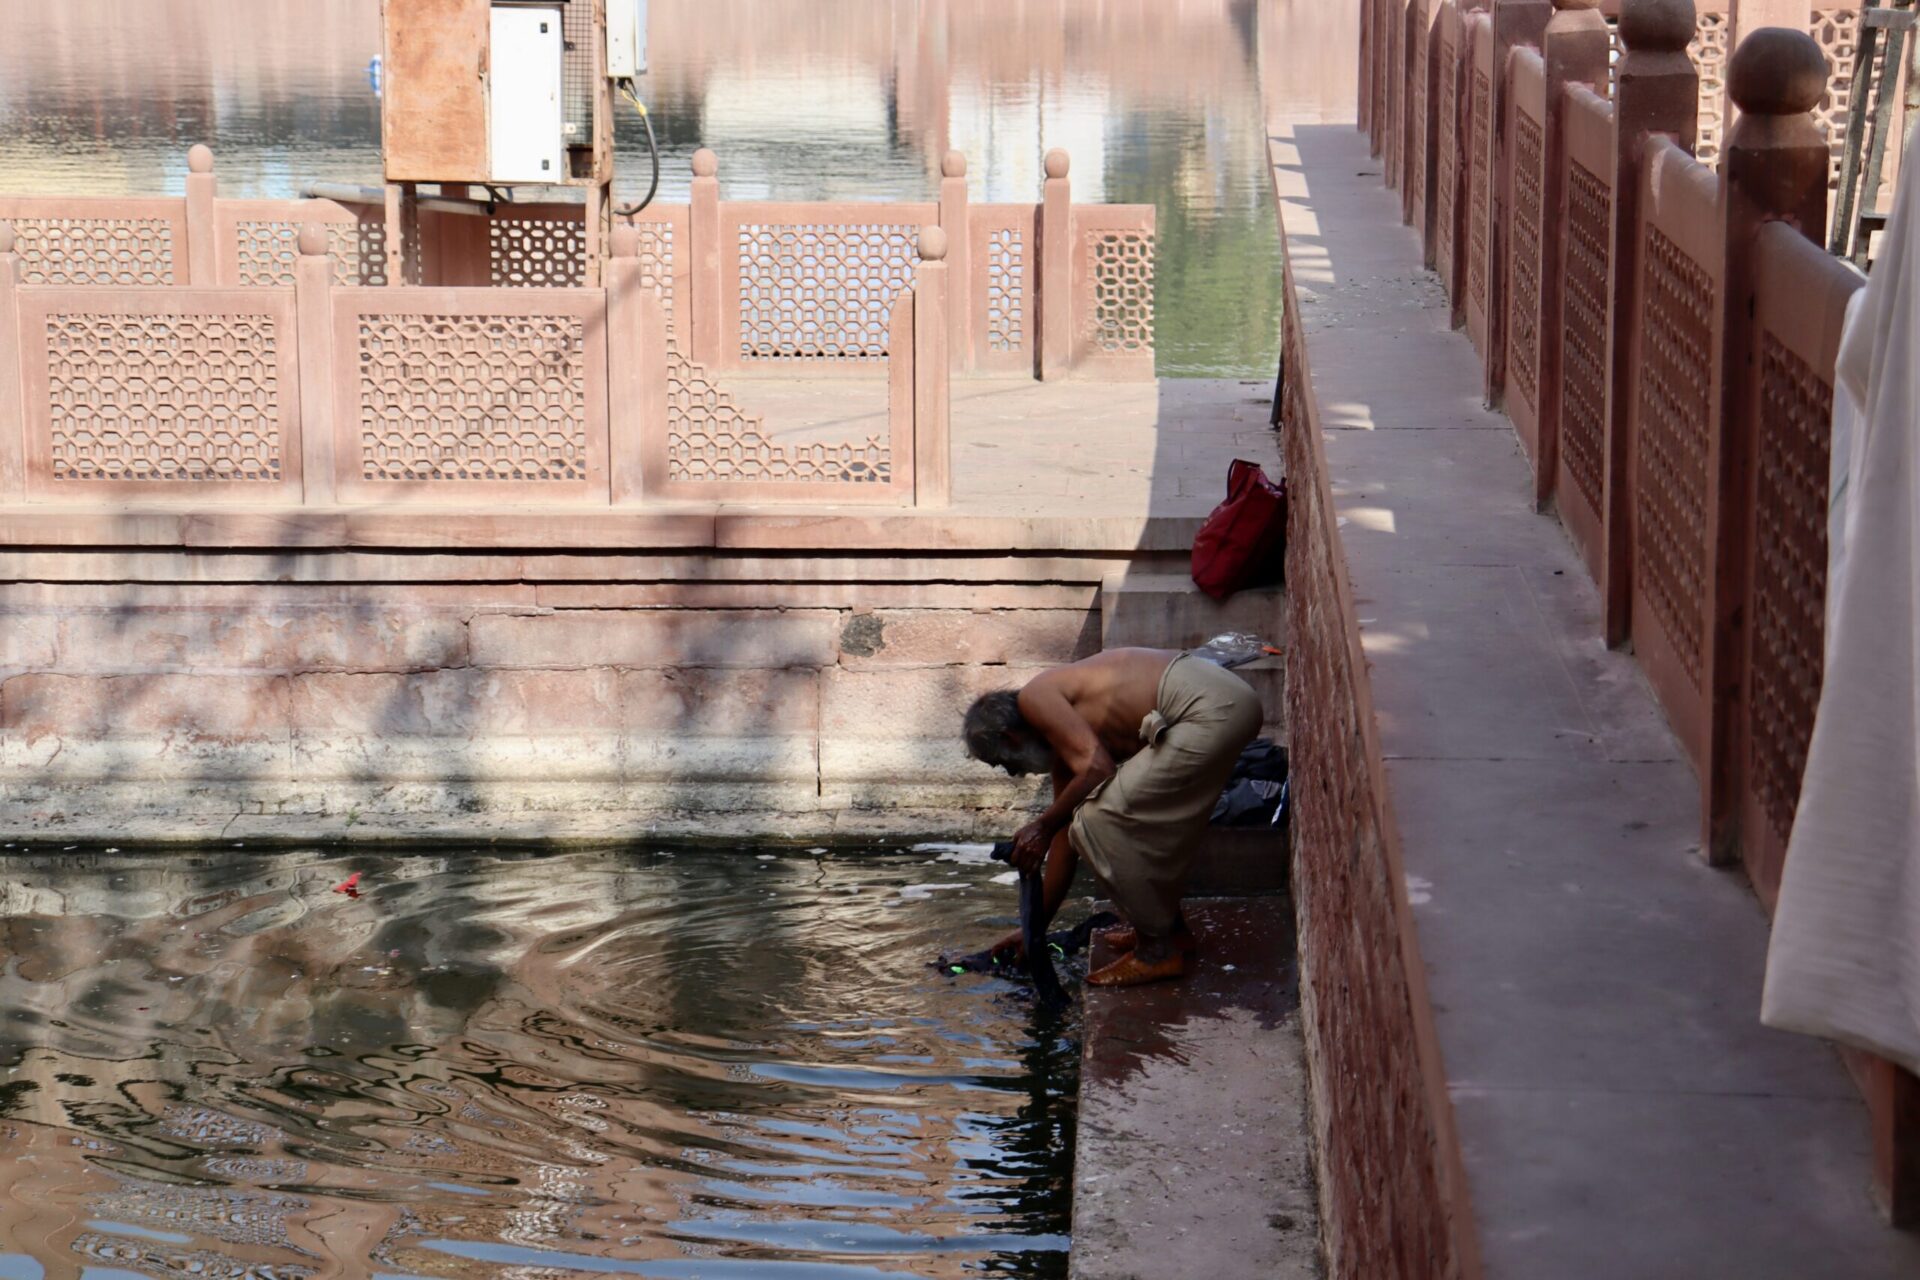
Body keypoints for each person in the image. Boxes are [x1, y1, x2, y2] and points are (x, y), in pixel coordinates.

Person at [962, 647, 1263, 987]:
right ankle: (1171, 933)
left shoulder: (1037, 696)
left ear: (1010, 738)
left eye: (1005, 763)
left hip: (1210, 708)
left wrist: (1041, 825)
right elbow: (1064, 844)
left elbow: (1097, 769)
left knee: (1098, 820)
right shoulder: (1066, 743)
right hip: (1219, 703)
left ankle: (1157, 951)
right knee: (1095, 820)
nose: (1015, 774)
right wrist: (1032, 931)